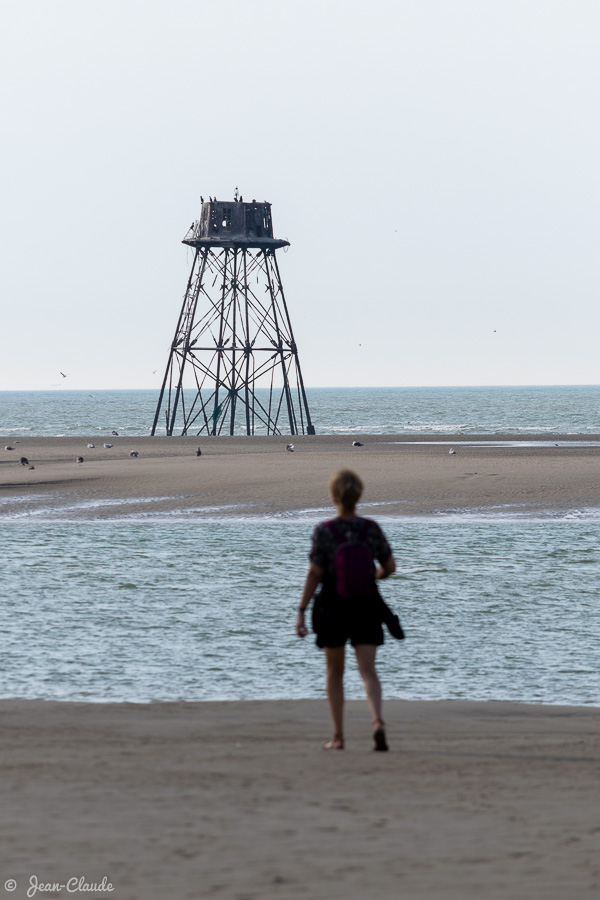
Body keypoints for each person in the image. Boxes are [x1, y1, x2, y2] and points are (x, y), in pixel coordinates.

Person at [296, 469, 396, 751]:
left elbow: (315, 572)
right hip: (366, 603)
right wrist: (372, 577)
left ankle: (338, 736)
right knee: (368, 671)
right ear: (359, 496)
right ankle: (377, 721)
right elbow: (390, 568)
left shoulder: (325, 531)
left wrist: (302, 609)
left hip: (332, 604)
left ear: (333, 497)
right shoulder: (371, 529)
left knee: (334, 671)